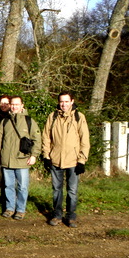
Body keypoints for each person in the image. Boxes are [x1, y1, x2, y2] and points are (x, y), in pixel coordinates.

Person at [42, 91, 90, 228]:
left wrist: (82, 160)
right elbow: (46, 137)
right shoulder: (52, 117)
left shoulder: (79, 117)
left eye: (66, 101)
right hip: (55, 159)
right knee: (57, 189)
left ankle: (71, 216)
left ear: (72, 101)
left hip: (73, 161)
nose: (64, 104)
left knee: (72, 190)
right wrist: (46, 156)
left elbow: (84, 140)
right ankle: (57, 215)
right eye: (61, 101)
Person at [0, 95, 42, 220]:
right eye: (12, 104)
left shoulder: (29, 121)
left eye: (17, 104)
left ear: (22, 105)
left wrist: (34, 155)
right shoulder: (5, 121)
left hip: (22, 159)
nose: (14, 106)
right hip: (7, 159)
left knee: (22, 187)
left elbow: (37, 139)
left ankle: (20, 210)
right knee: (8, 186)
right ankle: (10, 208)